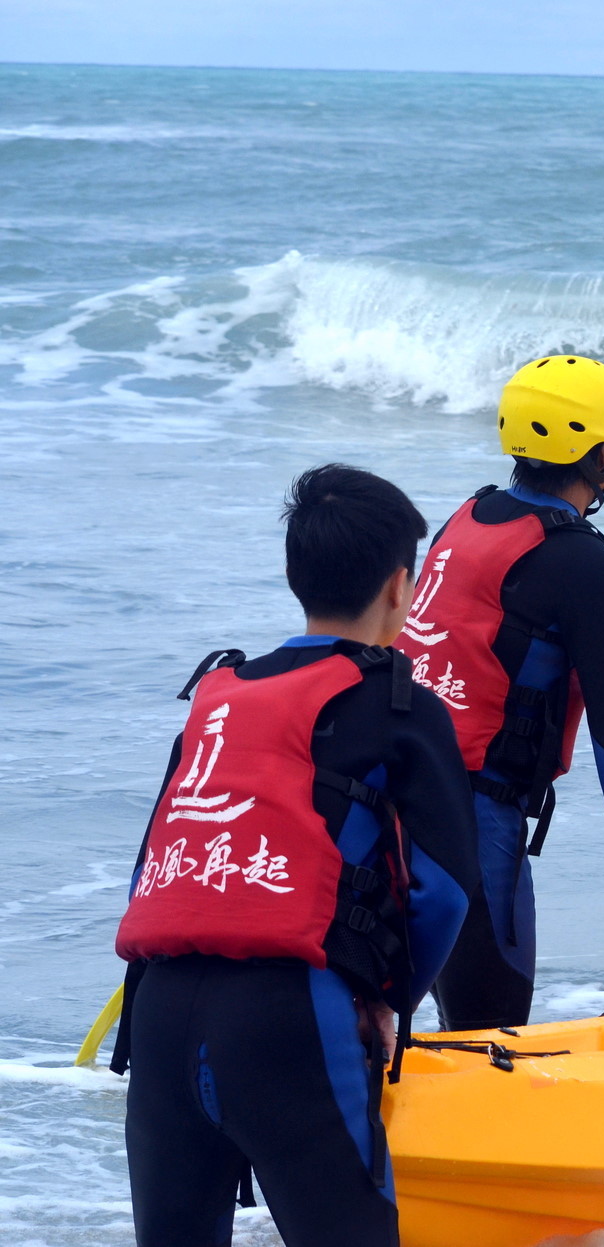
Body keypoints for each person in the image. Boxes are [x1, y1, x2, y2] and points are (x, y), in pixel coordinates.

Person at [113, 464, 479, 1247]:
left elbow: (153, 865)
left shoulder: (220, 696)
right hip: (288, 1019)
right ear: (399, 585)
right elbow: (445, 892)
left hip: (161, 1012)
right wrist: (388, 998)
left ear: (296, 576)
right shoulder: (400, 701)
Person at [402, 354, 604, 1031]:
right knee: (486, 1038)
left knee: (381, 1027)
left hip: (383, 801)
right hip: (471, 826)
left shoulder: (466, 518)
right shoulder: (586, 567)